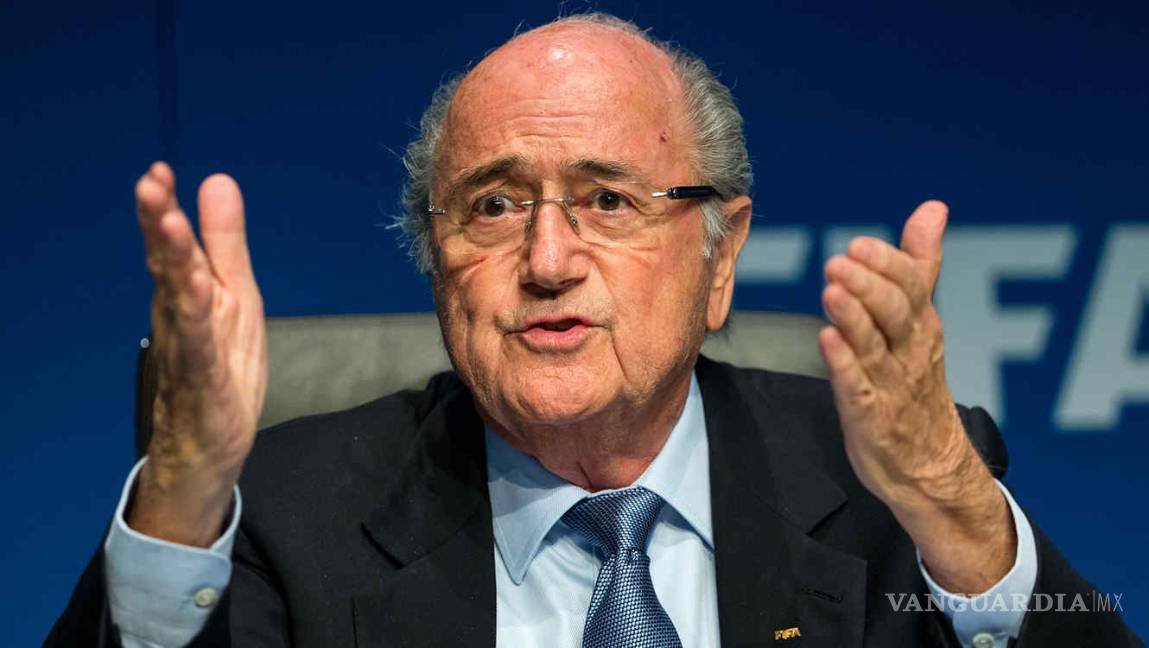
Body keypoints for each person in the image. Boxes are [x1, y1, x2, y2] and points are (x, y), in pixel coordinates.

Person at [48, 12, 1139, 648]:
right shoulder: (284, 521)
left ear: (719, 255)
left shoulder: (886, 494)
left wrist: (958, 513)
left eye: (608, 201)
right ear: (437, 259)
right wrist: (184, 494)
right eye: (493, 205)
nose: (548, 260)